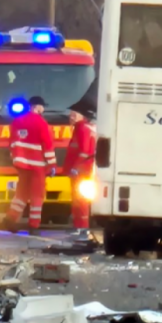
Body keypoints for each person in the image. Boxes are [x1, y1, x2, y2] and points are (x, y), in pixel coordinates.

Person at [3, 96, 57, 234]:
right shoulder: (41, 123)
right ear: (37, 107)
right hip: (37, 165)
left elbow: (12, 142)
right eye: (42, 106)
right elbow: (48, 145)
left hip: (21, 164)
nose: (43, 109)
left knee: (21, 193)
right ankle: (33, 226)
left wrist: (16, 159)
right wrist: (52, 165)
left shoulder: (17, 121)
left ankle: (10, 218)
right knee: (37, 195)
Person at [65, 102, 96, 241]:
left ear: (81, 116)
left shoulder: (82, 128)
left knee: (80, 199)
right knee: (78, 198)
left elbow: (84, 151)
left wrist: (75, 167)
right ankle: (79, 226)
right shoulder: (84, 127)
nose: (70, 117)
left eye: (73, 114)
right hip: (83, 169)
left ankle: (82, 228)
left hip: (82, 170)